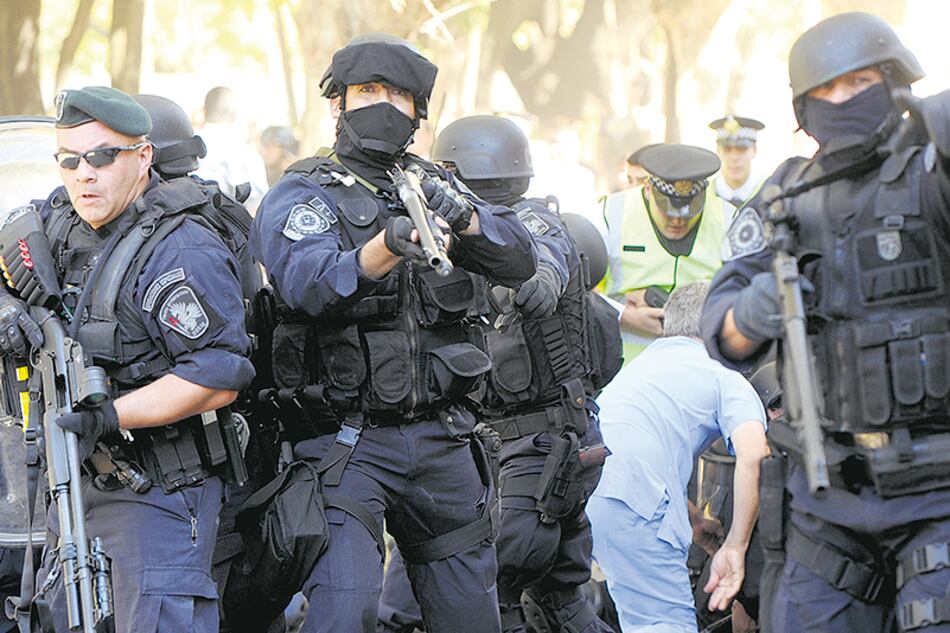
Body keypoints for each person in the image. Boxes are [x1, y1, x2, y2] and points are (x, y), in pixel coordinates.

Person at [249, 34, 537, 633]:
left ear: (418, 111)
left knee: (472, 617)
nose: (383, 105)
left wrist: (463, 218)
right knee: (346, 609)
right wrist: (383, 248)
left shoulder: (433, 184)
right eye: (368, 91)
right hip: (347, 443)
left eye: (399, 95)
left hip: (443, 439)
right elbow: (307, 283)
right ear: (338, 103)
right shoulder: (304, 193)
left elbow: (519, 260)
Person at [701, 11, 950, 633]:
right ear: (803, 109)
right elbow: (724, 331)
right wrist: (755, 310)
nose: (842, 100)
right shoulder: (786, 196)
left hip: (938, 491)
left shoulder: (932, 172)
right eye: (826, 90)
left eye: (859, 83)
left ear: (895, 83)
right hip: (827, 500)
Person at [0, 86, 255, 632]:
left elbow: (218, 375)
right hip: (71, 490)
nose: (83, 175)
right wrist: (6, 305)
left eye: (101, 156)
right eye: (69, 160)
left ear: (143, 157)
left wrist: (110, 415)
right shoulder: (59, 220)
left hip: (157, 492)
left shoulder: (180, 248)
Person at [377, 114, 622, 633]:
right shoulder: (446, 233)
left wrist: (497, 259)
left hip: (540, 450)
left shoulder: (531, 223)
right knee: (560, 607)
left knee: (472, 598)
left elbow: (541, 279)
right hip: (502, 447)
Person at [588, 281, 769, 632]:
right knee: (664, 622)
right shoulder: (723, 376)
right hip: (636, 501)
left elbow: (638, 447)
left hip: (589, 493)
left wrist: (693, 521)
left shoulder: (641, 366)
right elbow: (755, 456)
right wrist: (736, 546)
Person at [597, 144, 726, 363]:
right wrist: (623, 316)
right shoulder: (609, 214)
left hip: (703, 367)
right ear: (648, 188)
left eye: (689, 212)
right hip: (627, 370)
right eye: (667, 210)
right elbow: (579, 292)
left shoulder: (729, 218)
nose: (677, 220)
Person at [196, 86, 269, 212]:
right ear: (235, 114)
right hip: (233, 222)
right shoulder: (248, 155)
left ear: (205, 111)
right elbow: (259, 206)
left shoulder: (187, 146)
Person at [708, 115, 765, 222]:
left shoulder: (767, 192)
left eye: (741, 149)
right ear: (718, 151)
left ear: (754, 150)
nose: (734, 157)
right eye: (727, 150)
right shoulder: (705, 195)